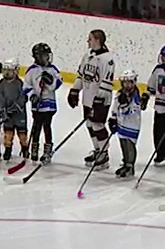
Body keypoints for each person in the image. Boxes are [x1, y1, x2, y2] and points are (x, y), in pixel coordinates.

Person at [68, 29, 115, 171]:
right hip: (88, 98)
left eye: (90, 38)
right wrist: (75, 91)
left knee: (98, 125)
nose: (87, 41)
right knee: (89, 124)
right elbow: (81, 74)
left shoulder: (108, 59)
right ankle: (97, 150)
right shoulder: (87, 55)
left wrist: (99, 99)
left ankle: (104, 154)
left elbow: (107, 81)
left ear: (97, 40)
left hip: (101, 99)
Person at [22, 42, 60, 164]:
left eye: (47, 55)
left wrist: (50, 82)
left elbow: (58, 83)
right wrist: (32, 95)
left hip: (49, 105)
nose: (47, 57)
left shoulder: (53, 69)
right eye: (44, 55)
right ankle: (34, 148)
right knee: (36, 127)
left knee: (47, 127)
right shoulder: (32, 70)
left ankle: (47, 151)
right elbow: (26, 86)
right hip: (37, 105)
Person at [110, 69, 142, 178]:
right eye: (125, 82)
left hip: (132, 124)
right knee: (123, 142)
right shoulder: (119, 93)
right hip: (121, 122)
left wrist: (125, 105)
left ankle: (130, 166)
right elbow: (115, 106)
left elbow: (134, 109)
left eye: (129, 82)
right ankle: (125, 163)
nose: (126, 84)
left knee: (130, 144)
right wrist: (113, 118)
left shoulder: (136, 95)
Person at [0, 59, 27, 163]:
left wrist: (16, 107)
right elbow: (0, 98)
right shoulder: (1, 83)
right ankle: (7, 151)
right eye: (5, 70)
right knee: (8, 134)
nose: (7, 73)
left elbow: (22, 98)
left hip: (19, 114)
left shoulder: (19, 83)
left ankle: (25, 149)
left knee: (22, 134)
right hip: (7, 114)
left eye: (10, 70)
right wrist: (3, 111)